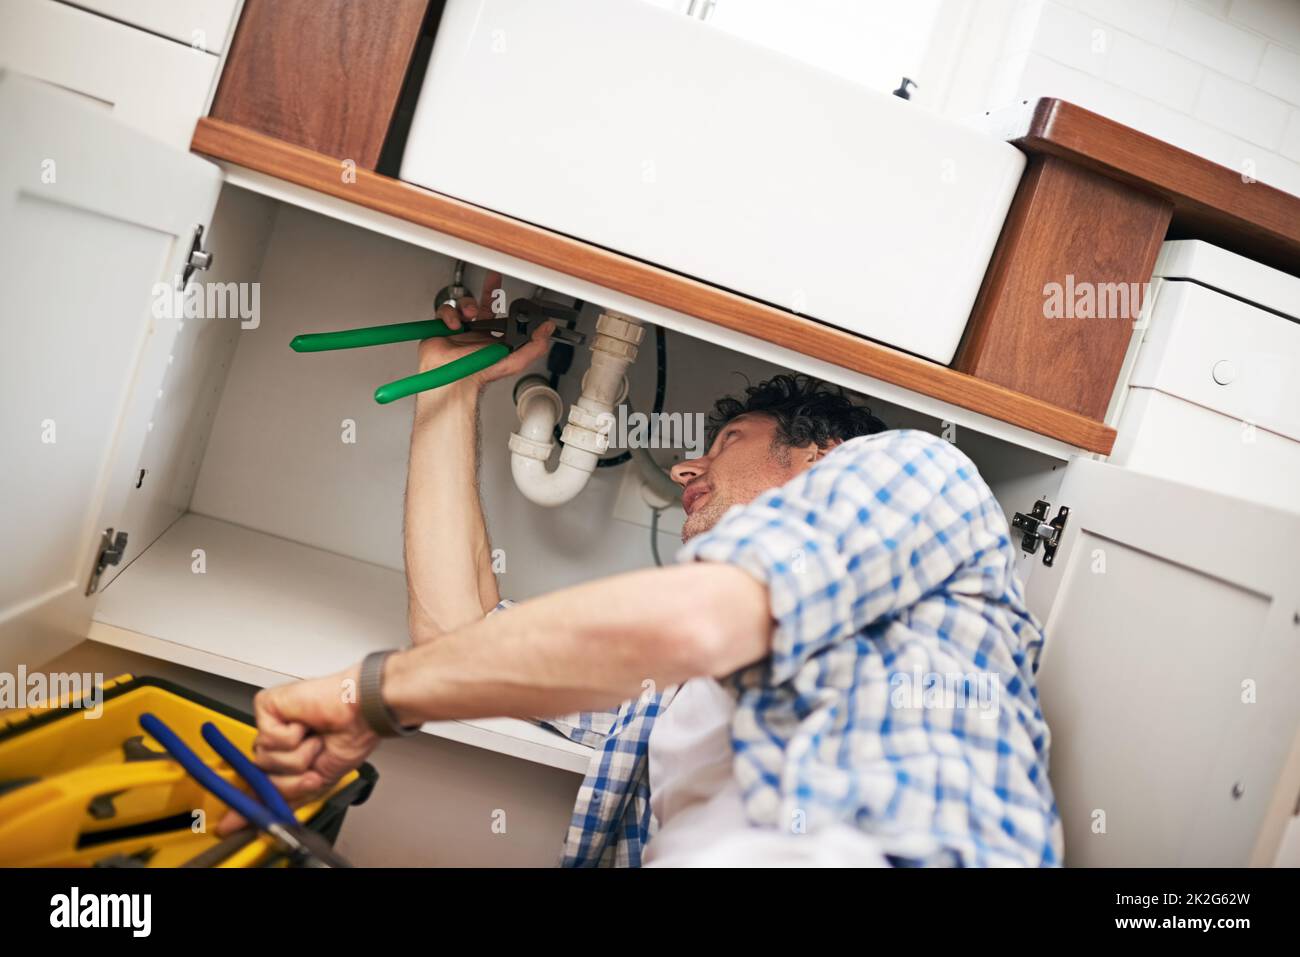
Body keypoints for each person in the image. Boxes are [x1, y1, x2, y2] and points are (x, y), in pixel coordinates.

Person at [227, 272, 1064, 867]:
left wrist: (368, 694)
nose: (688, 470)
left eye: (727, 444)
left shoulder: (913, 473)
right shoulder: (671, 690)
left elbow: (690, 616)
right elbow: (456, 636)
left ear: (821, 456)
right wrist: (443, 389)